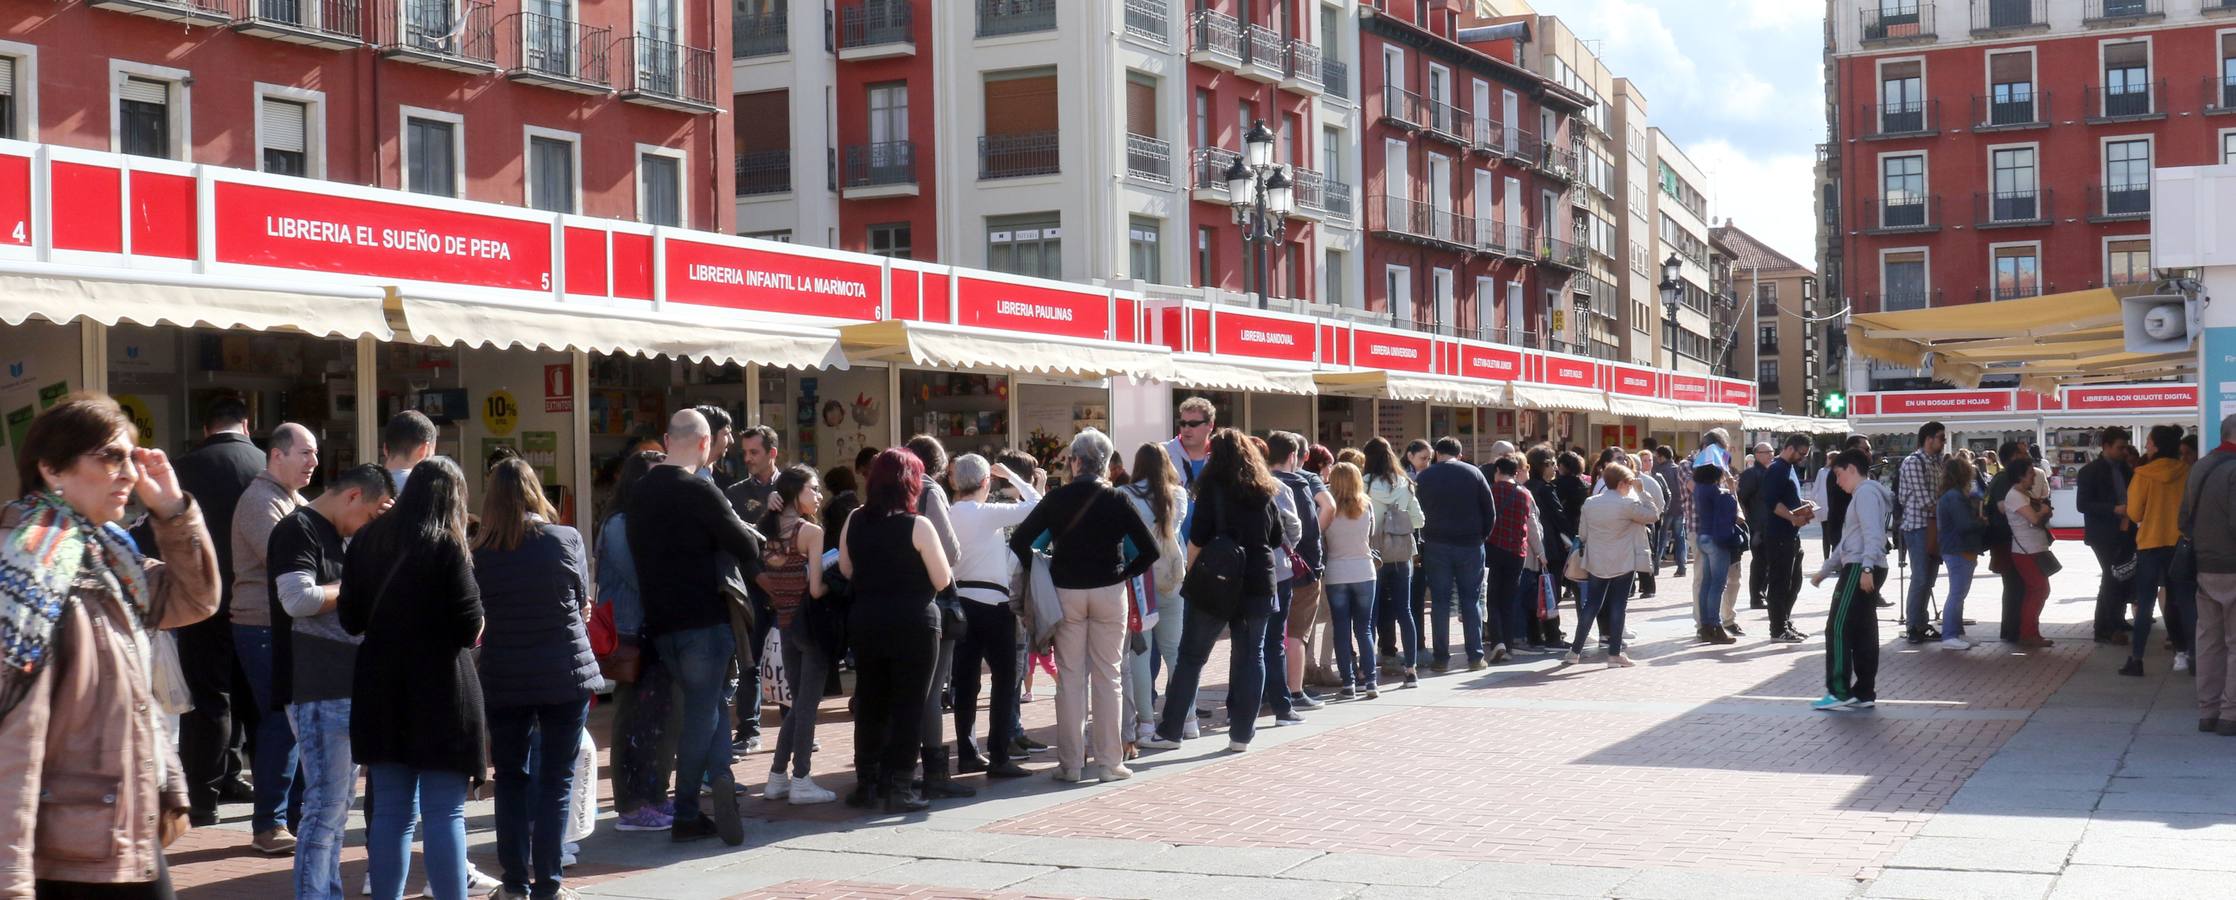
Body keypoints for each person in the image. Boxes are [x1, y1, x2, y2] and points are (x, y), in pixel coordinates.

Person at [0, 394, 218, 898]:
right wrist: (11, 879)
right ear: (52, 468)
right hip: (64, 853)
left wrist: (172, 510)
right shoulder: (27, 571)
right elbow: (15, 738)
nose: (128, 474)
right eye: (110, 457)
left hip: (126, 829)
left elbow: (195, 600)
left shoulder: (107, 556)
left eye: (131, 458)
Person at [341, 457, 486, 900]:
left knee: (391, 812)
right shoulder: (447, 544)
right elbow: (468, 626)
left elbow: (350, 619)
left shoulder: (366, 539)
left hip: (380, 688)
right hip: (441, 688)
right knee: (445, 814)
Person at [626, 409, 764, 845]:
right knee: (703, 713)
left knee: (710, 707)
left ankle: (721, 777)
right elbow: (744, 547)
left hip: (662, 622)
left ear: (667, 440)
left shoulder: (639, 493)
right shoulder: (701, 490)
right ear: (706, 444)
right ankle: (687, 810)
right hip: (705, 618)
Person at [472, 459, 601, 900]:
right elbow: (583, 603)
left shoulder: (480, 552)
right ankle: (549, 884)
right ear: (534, 492)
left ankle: (513, 884)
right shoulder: (564, 539)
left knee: (509, 778)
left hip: (505, 674)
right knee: (557, 780)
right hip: (564, 671)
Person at [271, 464, 394, 900]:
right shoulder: (298, 528)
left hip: (340, 681)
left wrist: (380, 533)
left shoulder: (343, 533)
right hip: (314, 683)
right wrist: (355, 585)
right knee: (325, 806)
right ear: (354, 496)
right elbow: (297, 600)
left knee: (337, 807)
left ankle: (327, 892)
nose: (368, 522)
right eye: (372, 511)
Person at [1008, 430, 1160, 783]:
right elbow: (1149, 550)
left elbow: (1020, 541)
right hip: (1109, 589)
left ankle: (1071, 764)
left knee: (1070, 678)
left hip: (1066, 591)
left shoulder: (1057, 499)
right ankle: (1109, 762)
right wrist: (1124, 572)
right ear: (1105, 464)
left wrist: (1041, 568)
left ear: (1075, 462)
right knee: (1109, 675)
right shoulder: (1117, 500)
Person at [1140, 429, 1284, 754]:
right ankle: (1242, 734)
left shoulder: (1211, 489)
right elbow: (1275, 538)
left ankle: (1172, 729)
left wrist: (1191, 574)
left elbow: (1198, 537)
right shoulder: (1264, 489)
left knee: (1191, 656)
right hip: (1258, 580)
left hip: (1217, 582)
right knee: (1252, 656)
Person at [838, 449, 954, 811]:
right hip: (914, 623)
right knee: (909, 705)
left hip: (867, 619)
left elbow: (844, 568)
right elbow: (942, 577)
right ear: (911, 483)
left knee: (870, 701)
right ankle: (900, 785)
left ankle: (867, 782)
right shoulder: (918, 525)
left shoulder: (855, 519)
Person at [168, 396, 263, 827]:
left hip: (199, 601)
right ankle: (267, 800)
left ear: (204, 426)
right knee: (258, 699)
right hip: (256, 600)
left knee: (208, 700)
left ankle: (204, 799)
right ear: (247, 423)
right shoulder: (266, 463)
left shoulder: (181, 469)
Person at [231, 421, 318, 856]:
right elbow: (289, 560)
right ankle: (269, 823)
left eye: (314, 454)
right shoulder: (260, 500)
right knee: (281, 721)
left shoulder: (292, 500)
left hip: (283, 625)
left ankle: (294, 816)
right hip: (260, 625)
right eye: (304, 453)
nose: (313, 462)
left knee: (295, 721)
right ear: (276, 455)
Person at [946, 454, 1039, 780]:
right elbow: (1036, 504)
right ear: (986, 482)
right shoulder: (985, 513)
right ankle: (999, 755)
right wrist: (1014, 476)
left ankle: (968, 752)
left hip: (960, 602)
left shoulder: (948, 512)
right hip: (993, 603)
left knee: (966, 681)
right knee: (1003, 680)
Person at [598, 451, 675, 833]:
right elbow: (642, 576)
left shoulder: (646, 521)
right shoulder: (619, 524)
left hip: (653, 631)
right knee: (632, 720)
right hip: (631, 634)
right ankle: (631, 805)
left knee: (657, 720)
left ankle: (655, 795)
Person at [754, 465, 841, 802]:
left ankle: (777, 776)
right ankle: (801, 778)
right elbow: (817, 589)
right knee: (806, 706)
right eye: (813, 489)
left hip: (784, 624)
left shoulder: (768, 529)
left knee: (796, 703)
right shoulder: (810, 532)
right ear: (795, 493)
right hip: (811, 624)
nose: (819, 496)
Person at [901, 435, 969, 799]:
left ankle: (898, 767)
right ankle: (935, 773)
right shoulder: (929, 490)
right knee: (932, 687)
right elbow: (951, 549)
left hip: (896, 597)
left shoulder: (890, 492)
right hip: (933, 598)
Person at [1809, 449, 1892, 710]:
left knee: (1838, 627)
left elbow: (1872, 533)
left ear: (1852, 470)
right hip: (1864, 565)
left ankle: (1839, 690)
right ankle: (1864, 691)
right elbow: (1852, 538)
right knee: (1863, 631)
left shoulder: (1865, 494)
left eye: (1839, 474)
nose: (1837, 481)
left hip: (1860, 567)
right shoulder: (1866, 494)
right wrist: (1827, 568)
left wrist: (1866, 568)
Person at [1118, 444, 1187, 750]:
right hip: (1172, 578)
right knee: (1177, 653)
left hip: (1139, 581)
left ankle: (1146, 723)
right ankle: (1186, 720)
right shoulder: (1178, 494)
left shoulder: (1127, 495)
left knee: (1140, 655)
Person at [1416, 437, 1497, 671]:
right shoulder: (1474, 473)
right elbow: (1490, 512)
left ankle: (1441, 658)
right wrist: (1481, 537)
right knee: (1471, 601)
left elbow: (1416, 512)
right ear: (1459, 454)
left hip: (1436, 545)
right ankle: (1475, 656)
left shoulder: (1425, 477)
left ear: (1436, 454)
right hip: (1470, 545)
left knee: (1439, 602)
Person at [1570, 463, 1659, 666]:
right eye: (1628, 483)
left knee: (1591, 605)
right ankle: (1614, 654)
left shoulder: (1590, 503)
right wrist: (1642, 492)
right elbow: (1653, 515)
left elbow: (1582, 534)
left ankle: (1574, 651)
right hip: (1623, 561)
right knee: (1619, 606)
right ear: (1622, 483)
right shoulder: (1627, 504)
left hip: (1596, 562)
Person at [1267, 432, 1332, 709]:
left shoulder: (1259, 483)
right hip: (1300, 569)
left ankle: (1264, 690)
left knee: (1266, 635)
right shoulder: (1301, 482)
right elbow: (1318, 517)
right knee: (1295, 633)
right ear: (1294, 456)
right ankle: (1294, 691)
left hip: (1266, 569)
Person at [2182, 414, 2236, 735]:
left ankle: (2208, 711)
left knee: (2209, 641)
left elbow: (2183, 519)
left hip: (2204, 566)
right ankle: (2230, 714)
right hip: (2232, 566)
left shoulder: (2200, 467)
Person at [2123, 425, 2192, 674]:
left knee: (2145, 602)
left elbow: (2134, 512)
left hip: (2150, 544)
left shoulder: (2142, 474)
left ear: (2157, 446)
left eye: (2149, 442)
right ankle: (2190, 656)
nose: (2146, 446)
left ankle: (2137, 660)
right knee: (2182, 601)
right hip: (2179, 544)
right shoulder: (2186, 472)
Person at [1364, 437, 1424, 687]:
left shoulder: (1365, 484)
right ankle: (1410, 669)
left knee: (1371, 614)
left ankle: (1368, 675)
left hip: (1373, 552)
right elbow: (1420, 520)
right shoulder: (1405, 483)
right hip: (1401, 553)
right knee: (1405, 611)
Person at [1320, 461, 1380, 697]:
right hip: (1364, 569)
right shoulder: (1367, 506)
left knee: (1341, 629)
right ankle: (1371, 680)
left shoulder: (1327, 507)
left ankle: (1348, 683)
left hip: (1337, 571)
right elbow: (1371, 535)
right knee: (1364, 629)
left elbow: (1320, 535)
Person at [2077, 427, 2136, 645]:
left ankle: (2115, 621)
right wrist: (2114, 509)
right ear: (2106, 446)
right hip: (2103, 533)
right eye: (2120, 448)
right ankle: (2105, 627)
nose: (2124, 452)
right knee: (2111, 577)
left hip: (2126, 530)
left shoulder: (2126, 469)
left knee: (2120, 576)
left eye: (2125, 448)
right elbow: (2082, 505)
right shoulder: (2089, 472)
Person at [1763, 435, 1817, 644]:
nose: (1803, 458)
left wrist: (1803, 503)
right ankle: (1777, 628)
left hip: (1791, 535)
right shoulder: (1776, 469)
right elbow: (1771, 501)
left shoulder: (1789, 468)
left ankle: (1784, 621)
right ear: (1790, 448)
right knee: (1780, 583)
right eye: (1801, 453)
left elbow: (1787, 497)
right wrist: (1793, 518)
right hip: (1778, 535)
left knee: (1794, 582)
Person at [1896, 423, 1947, 642]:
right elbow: (1925, 500)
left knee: (1928, 579)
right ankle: (1913, 627)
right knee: (1920, 578)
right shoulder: (1913, 462)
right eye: (1941, 438)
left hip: (1933, 527)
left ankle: (1922, 623)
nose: (1943, 442)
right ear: (1928, 439)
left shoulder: (1935, 463)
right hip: (1917, 528)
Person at [1482, 455, 1536, 661]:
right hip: (1517, 551)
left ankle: (1498, 642)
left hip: (1494, 549)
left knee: (1492, 598)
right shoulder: (1525, 494)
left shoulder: (1491, 491)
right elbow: (1528, 522)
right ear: (1516, 472)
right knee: (1509, 598)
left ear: (1497, 471)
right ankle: (1509, 641)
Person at [2000, 464, 2055, 651]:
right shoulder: (2015, 496)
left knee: (2039, 590)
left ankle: (2031, 631)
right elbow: (2035, 519)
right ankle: (2028, 632)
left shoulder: (2026, 494)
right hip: (2026, 551)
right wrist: (2045, 511)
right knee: (2038, 589)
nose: (2034, 477)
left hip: (2035, 548)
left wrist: (2044, 511)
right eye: (2031, 474)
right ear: (2021, 476)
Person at [1936, 456, 1987, 652]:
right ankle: (1950, 634)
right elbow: (1964, 525)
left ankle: (1956, 632)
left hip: (1955, 547)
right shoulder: (1956, 496)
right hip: (1959, 548)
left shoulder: (1949, 495)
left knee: (1958, 593)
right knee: (1957, 593)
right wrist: (1981, 522)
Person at [1985, 442, 2030, 643]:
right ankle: (2013, 630)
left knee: (2015, 585)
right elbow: (2005, 508)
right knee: (2015, 585)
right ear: (2012, 457)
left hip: (2008, 539)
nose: (2026, 455)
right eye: (2022, 453)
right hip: (2006, 539)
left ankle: (2011, 629)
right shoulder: (2004, 479)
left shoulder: (2002, 478)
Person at [1524, 452, 1570, 649]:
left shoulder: (1526, 487)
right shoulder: (1545, 489)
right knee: (1551, 591)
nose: (1555, 468)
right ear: (1542, 466)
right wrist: (1572, 535)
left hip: (1531, 547)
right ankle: (1552, 634)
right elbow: (1559, 516)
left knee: (1535, 592)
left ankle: (1536, 633)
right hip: (1550, 546)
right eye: (1551, 464)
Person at [1691, 462, 1740, 645]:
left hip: (1703, 536)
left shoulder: (1699, 489)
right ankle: (1715, 626)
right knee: (1717, 585)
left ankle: (1705, 627)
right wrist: (1732, 488)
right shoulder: (1715, 491)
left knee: (1706, 583)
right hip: (1717, 539)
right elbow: (1732, 509)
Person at [1736, 442, 1774, 618]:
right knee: (1760, 561)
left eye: (1772, 452)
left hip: (1770, 523)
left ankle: (1762, 592)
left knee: (1767, 561)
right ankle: (1756, 596)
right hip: (1757, 525)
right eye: (1767, 452)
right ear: (1757, 454)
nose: (1771, 455)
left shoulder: (1770, 472)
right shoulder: (1751, 474)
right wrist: (1749, 521)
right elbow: (1742, 497)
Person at [1651, 446, 1690, 579]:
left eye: (1658, 456)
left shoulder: (1658, 471)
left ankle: (1655, 567)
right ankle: (1682, 567)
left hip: (1665, 509)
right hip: (1679, 508)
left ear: (1662, 457)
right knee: (1680, 538)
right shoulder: (1678, 469)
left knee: (1661, 538)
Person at [381, 411, 438, 495]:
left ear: (385, 449)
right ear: (424, 450)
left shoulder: (363, 486)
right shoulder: (430, 488)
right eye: (432, 455)